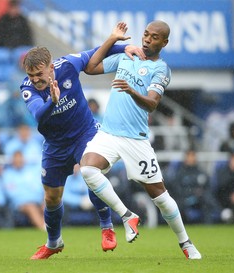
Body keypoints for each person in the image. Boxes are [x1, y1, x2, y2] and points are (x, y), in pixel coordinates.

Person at [79, 21, 202, 259]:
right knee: (87, 169)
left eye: (155, 37)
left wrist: (131, 91)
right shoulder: (127, 56)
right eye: (146, 34)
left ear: (164, 42)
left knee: (160, 197)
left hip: (136, 140)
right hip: (109, 133)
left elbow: (153, 103)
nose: (147, 39)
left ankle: (185, 243)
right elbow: (91, 67)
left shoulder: (161, 69)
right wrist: (112, 39)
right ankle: (127, 216)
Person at [20, 41, 144, 258]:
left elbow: (93, 54)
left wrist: (122, 48)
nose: (35, 79)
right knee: (51, 197)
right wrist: (53, 102)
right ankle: (53, 242)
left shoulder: (67, 65)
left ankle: (107, 227)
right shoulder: (28, 88)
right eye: (31, 75)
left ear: (51, 67)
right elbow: (39, 115)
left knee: (90, 172)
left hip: (84, 133)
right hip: (55, 145)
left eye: (39, 73)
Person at [1, 150, 45, 230]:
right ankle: (43, 229)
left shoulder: (30, 172)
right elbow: (11, 194)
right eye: (16, 160)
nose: (18, 161)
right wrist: (29, 198)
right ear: (12, 161)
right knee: (31, 207)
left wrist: (40, 200)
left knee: (48, 204)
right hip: (19, 204)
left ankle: (54, 230)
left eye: (20, 159)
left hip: (36, 201)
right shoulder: (7, 175)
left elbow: (38, 188)